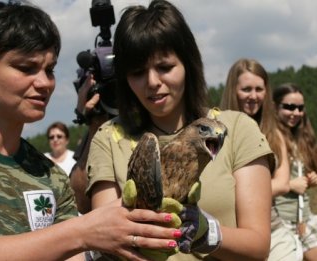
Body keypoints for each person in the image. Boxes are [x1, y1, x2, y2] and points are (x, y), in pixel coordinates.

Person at [0, 2, 182, 260]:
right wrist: (83, 231)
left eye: (49, 70)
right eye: (26, 67)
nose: (44, 83)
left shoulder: (49, 175)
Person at [83, 1, 274, 260]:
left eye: (164, 67)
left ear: (187, 64)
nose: (152, 82)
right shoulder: (109, 137)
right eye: (138, 72)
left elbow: (258, 246)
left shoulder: (235, 128)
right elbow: (108, 243)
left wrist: (208, 234)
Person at [220, 58, 302, 261]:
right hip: (227, 234)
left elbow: (282, 184)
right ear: (233, 90)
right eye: (246, 89)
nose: (253, 96)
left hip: (272, 233)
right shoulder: (216, 128)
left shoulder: (275, 133)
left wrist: (235, 196)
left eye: (259, 89)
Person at [273, 83, 317, 261]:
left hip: (306, 219)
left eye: (300, 108)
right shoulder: (269, 137)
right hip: (280, 221)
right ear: (275, 107)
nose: (295, 113)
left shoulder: (300, 137)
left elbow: (304, 173)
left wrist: (310, 180)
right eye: (289, 107)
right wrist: (290, 185)